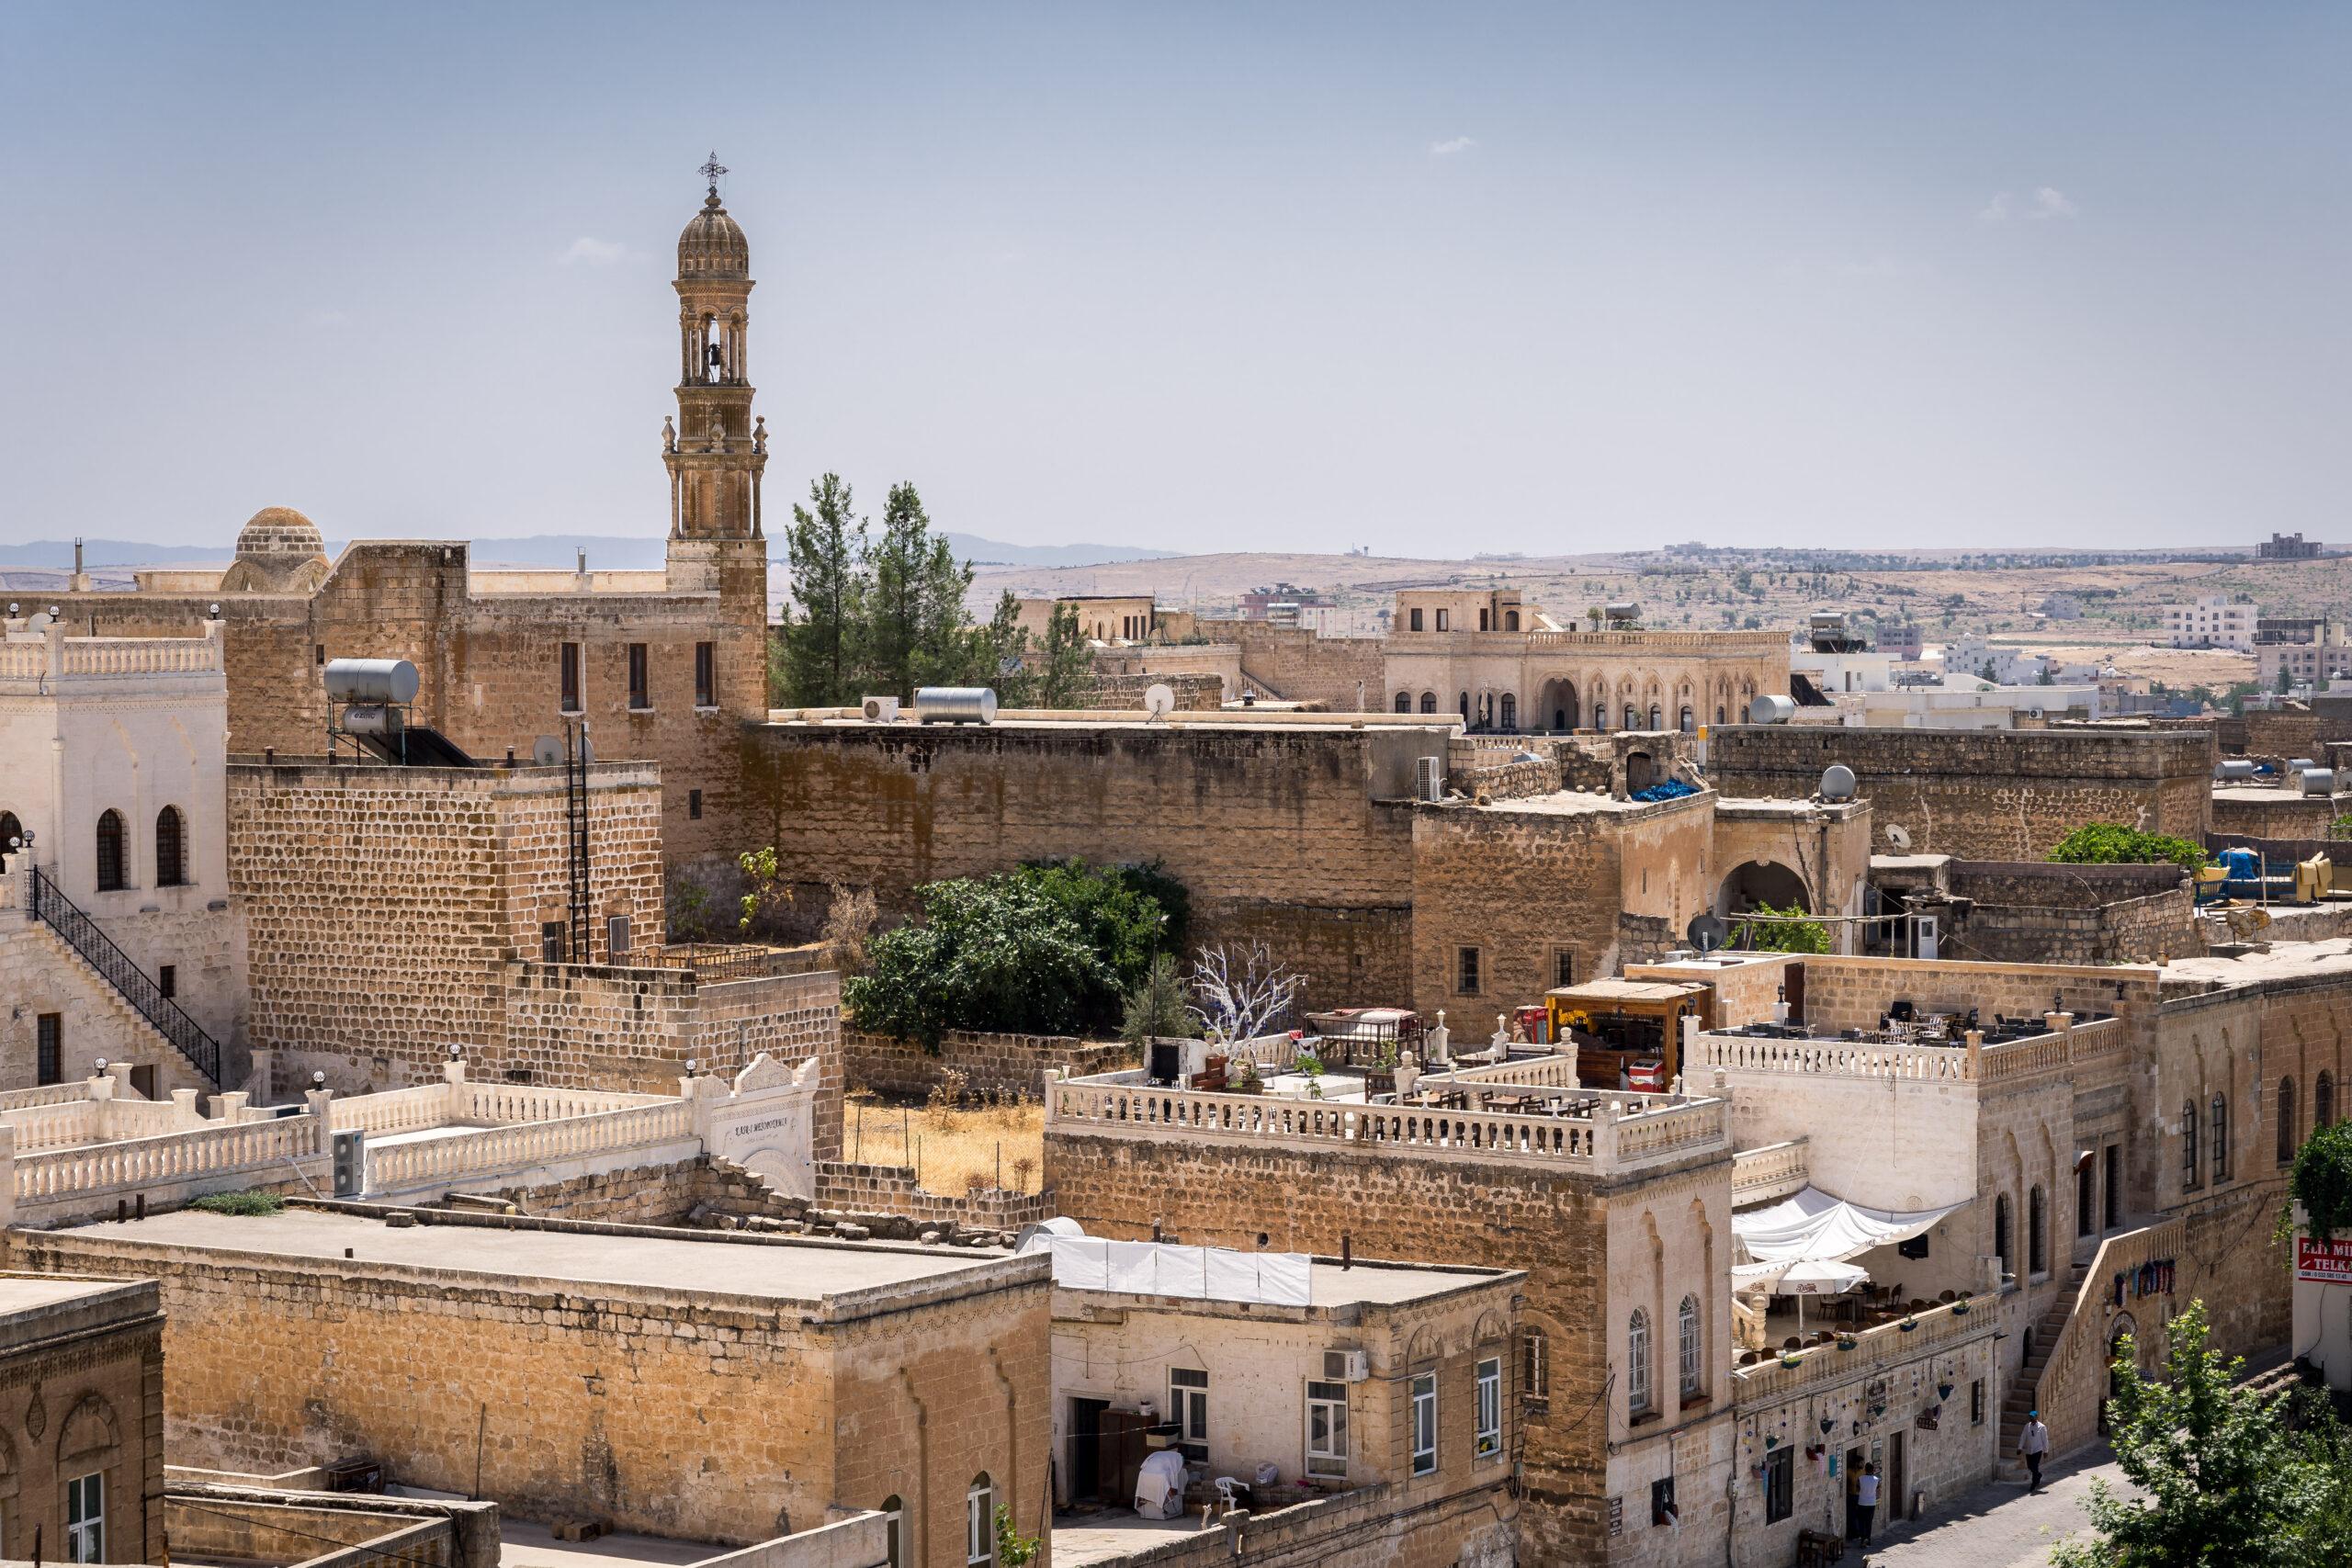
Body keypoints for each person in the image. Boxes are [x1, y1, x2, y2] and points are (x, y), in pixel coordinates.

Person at [2020, 1409, 2050, 1493]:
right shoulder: (2027, 1426)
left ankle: (2033, 1484)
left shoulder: (2042, 1427)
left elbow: (2045, 1440)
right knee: (2030, 1466)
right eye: (2030, 1417)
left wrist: (2045, 1451)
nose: (2031, 1419)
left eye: (2033, 1417)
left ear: (2036, 1417)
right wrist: (2020, 1447)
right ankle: (2038, 1475)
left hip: (2038, 1450)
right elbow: (2023, 1437)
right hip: (2029, 1450)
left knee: (2035, 1466)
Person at [1854, 1461, 1881, 1541]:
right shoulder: (1877, 1480)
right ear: (1873, 1470)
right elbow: (1878, 1489)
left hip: (1862, 1502)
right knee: (1869, 1522)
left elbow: (1857, 1489)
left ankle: (1862, 1538)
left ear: (1865, 1470)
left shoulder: (1860, 1479)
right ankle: (1868, 1539)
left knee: (1862, 1521)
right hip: (1871, 1503)